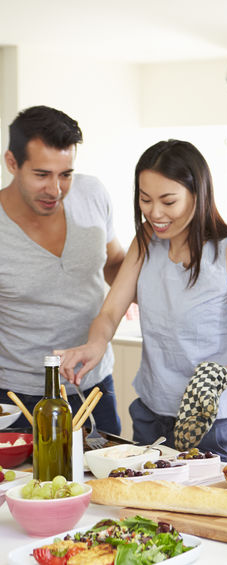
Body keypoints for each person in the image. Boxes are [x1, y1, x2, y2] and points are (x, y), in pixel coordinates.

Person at [57, 140, 227, 460]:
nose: (155, 213)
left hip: (212, 424)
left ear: (198, 193)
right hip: (151, 415)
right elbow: (111, 311)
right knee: (145, 509)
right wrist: (95, 345)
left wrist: (216, 378)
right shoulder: (146, 239)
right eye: (145, 199)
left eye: (168, 201)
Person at [0, 106, 125, 434]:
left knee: (107, 484)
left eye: (65, 174)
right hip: (19, 397)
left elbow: (115, 264)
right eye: (41, 175)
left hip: (94, 387)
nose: (55, 189)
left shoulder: (93, 193)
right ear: (12, 163)